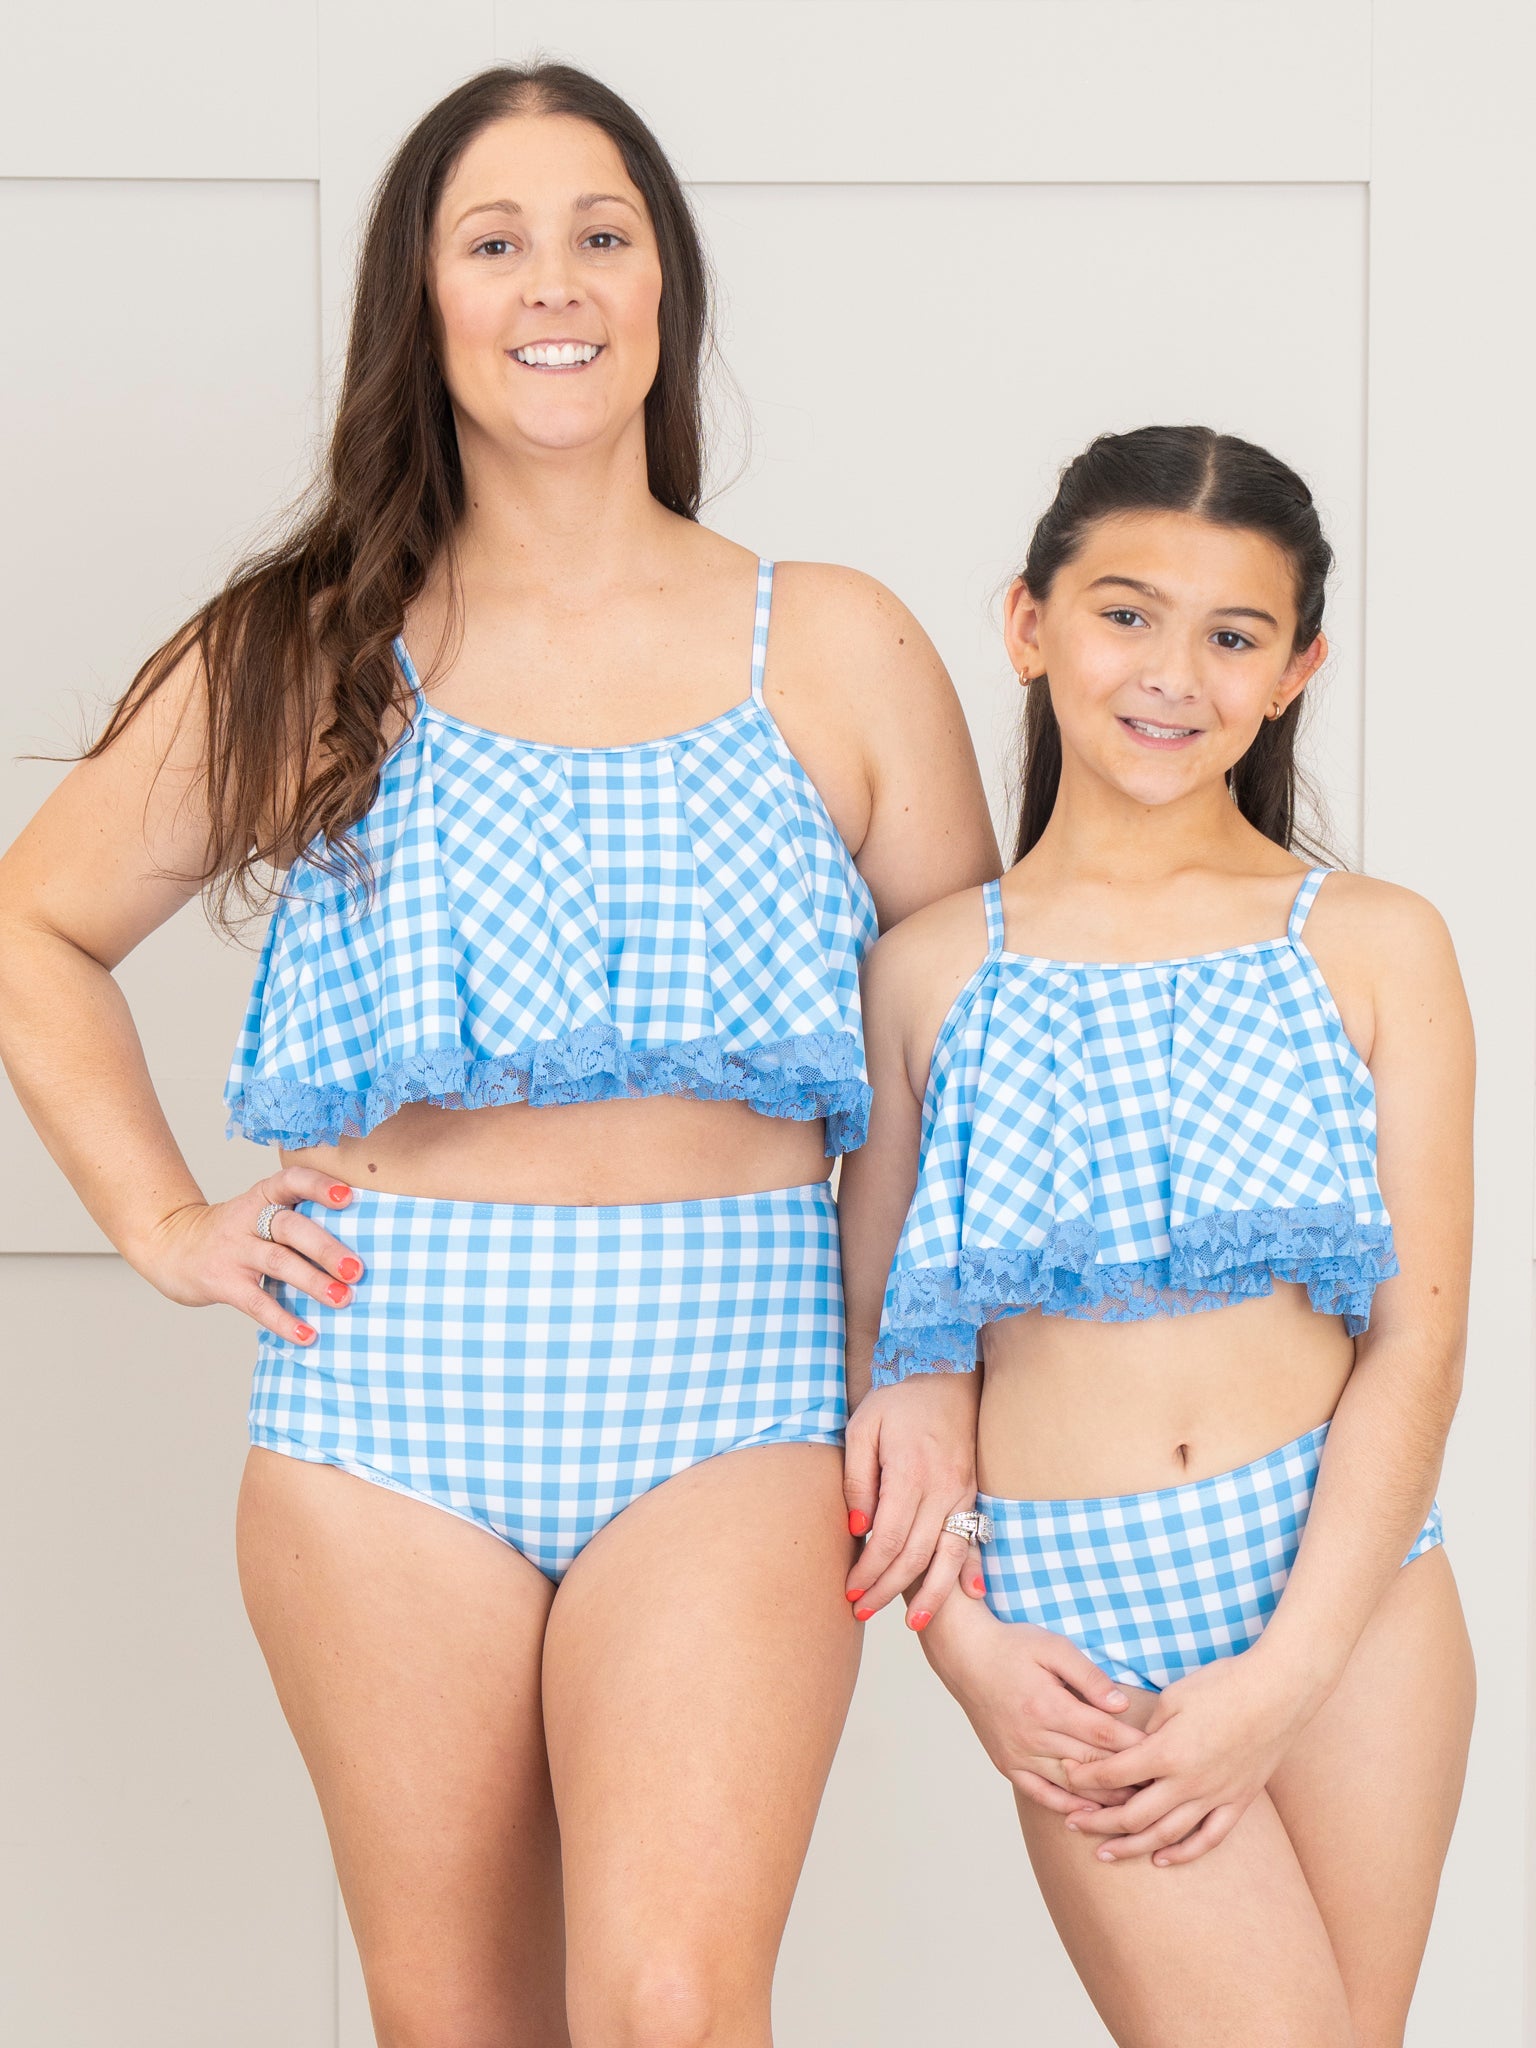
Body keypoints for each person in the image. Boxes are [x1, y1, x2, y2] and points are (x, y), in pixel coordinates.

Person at [0, 64, 997, 2046]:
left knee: (672, 2003)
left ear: (662, 287)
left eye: (601, 233)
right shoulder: (306, 646)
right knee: (456, 2017)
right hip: (388, 1383)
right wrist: (169, 1225)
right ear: (425, 299)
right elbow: (34, 926)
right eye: (495, 239)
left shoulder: (836, 643)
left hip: (740, 1367)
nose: (555, 281)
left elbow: (974, 1049)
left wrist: (937, 1365)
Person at [839, 425, 1474, 2046]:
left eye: (1234, 634)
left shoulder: (1376, 945)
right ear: (1029, 623)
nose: (1172, 673)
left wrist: (1290, 1672)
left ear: (1296, 672)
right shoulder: (925, 973)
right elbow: (881, 1363)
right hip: (1078, 1628)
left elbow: (1417, 1342)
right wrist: (966, 1649)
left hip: (1349, 1592)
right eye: (1126, 613)